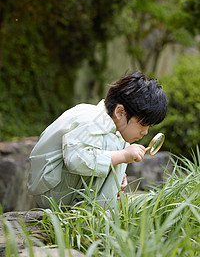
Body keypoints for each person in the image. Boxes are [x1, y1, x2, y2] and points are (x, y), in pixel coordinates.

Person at [27, 71, 168, 210]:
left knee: (120, 145)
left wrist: (117, 178)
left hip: (58, 185)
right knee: (116, 146)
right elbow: (76, 159)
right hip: (52, 192)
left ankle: (101, 208)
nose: (145, 132)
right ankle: (100, 214)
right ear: (120, 112)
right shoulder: (93, 121)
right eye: (143, 125)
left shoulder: (105, 122)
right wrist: (123, 156)